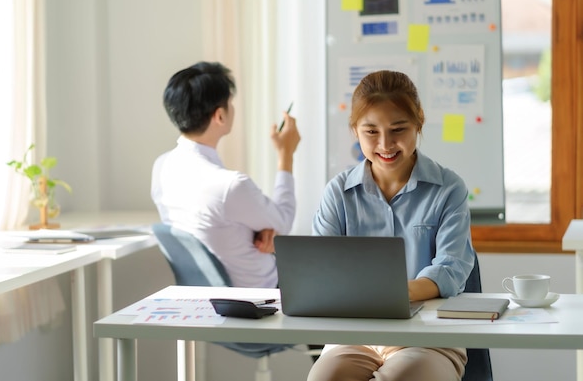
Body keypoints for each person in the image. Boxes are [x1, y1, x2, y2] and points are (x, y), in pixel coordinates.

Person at [307, 70, 476, 381]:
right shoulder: (338, 192)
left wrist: (385, 295)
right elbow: (321, 270)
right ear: (355, 130)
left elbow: (451, 269)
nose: (385, 144)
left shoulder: (448, 188)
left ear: (418, 124)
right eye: (371, 131)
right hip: (355, 334)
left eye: (398, 129)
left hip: (429, 336)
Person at [151, 61, 301, 289]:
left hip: (206, 300)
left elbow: (218, 226)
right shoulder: (230, 185)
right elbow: (285, 221)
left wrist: (261, 230)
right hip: (264, 297)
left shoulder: (162, 167)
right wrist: (286, 154)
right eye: (230, 102)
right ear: (220, 116)